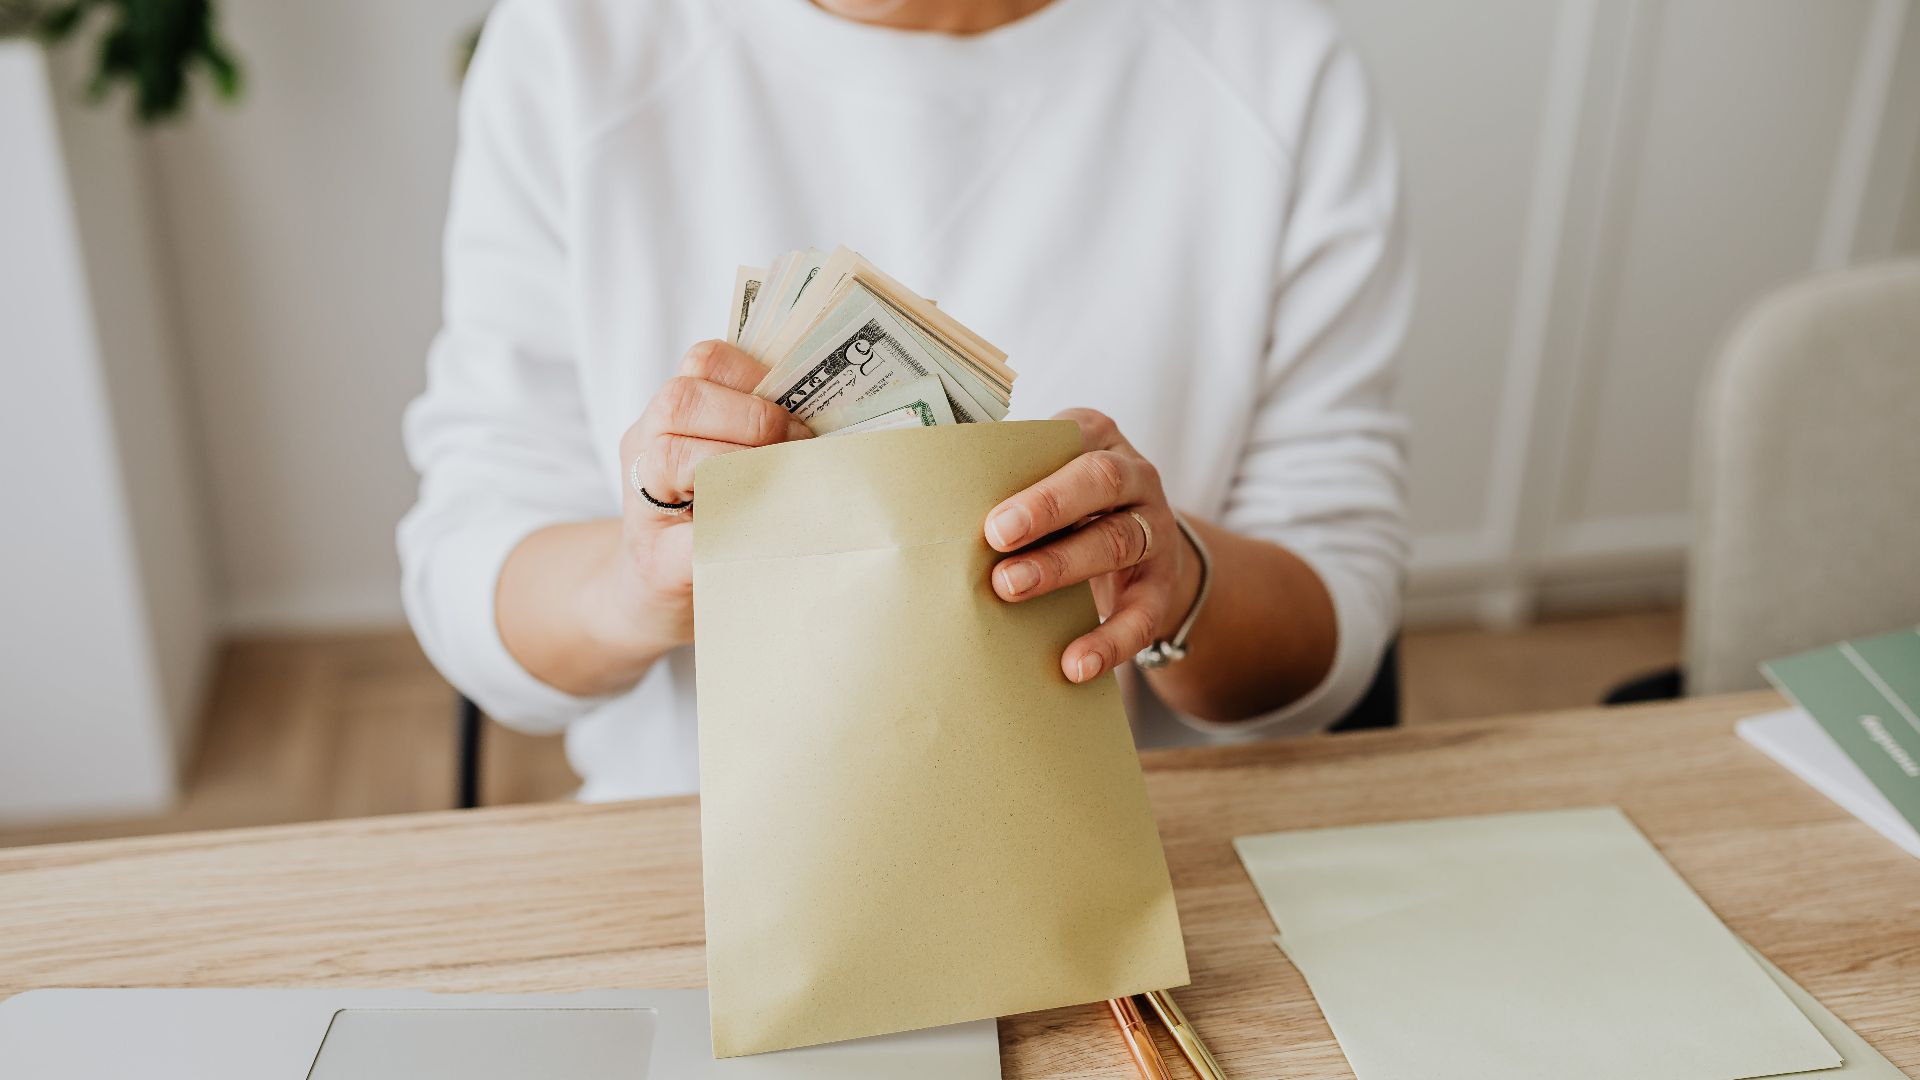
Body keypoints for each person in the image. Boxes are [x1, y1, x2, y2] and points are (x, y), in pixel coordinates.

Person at [400, 0, 1413, 801]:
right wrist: (633, 584)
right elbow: (469, 567)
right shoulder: (574, 46)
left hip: (1146, 867)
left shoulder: (1273, 68)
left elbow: (1339, 613)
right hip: (693, 877)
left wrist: (1176, 584)